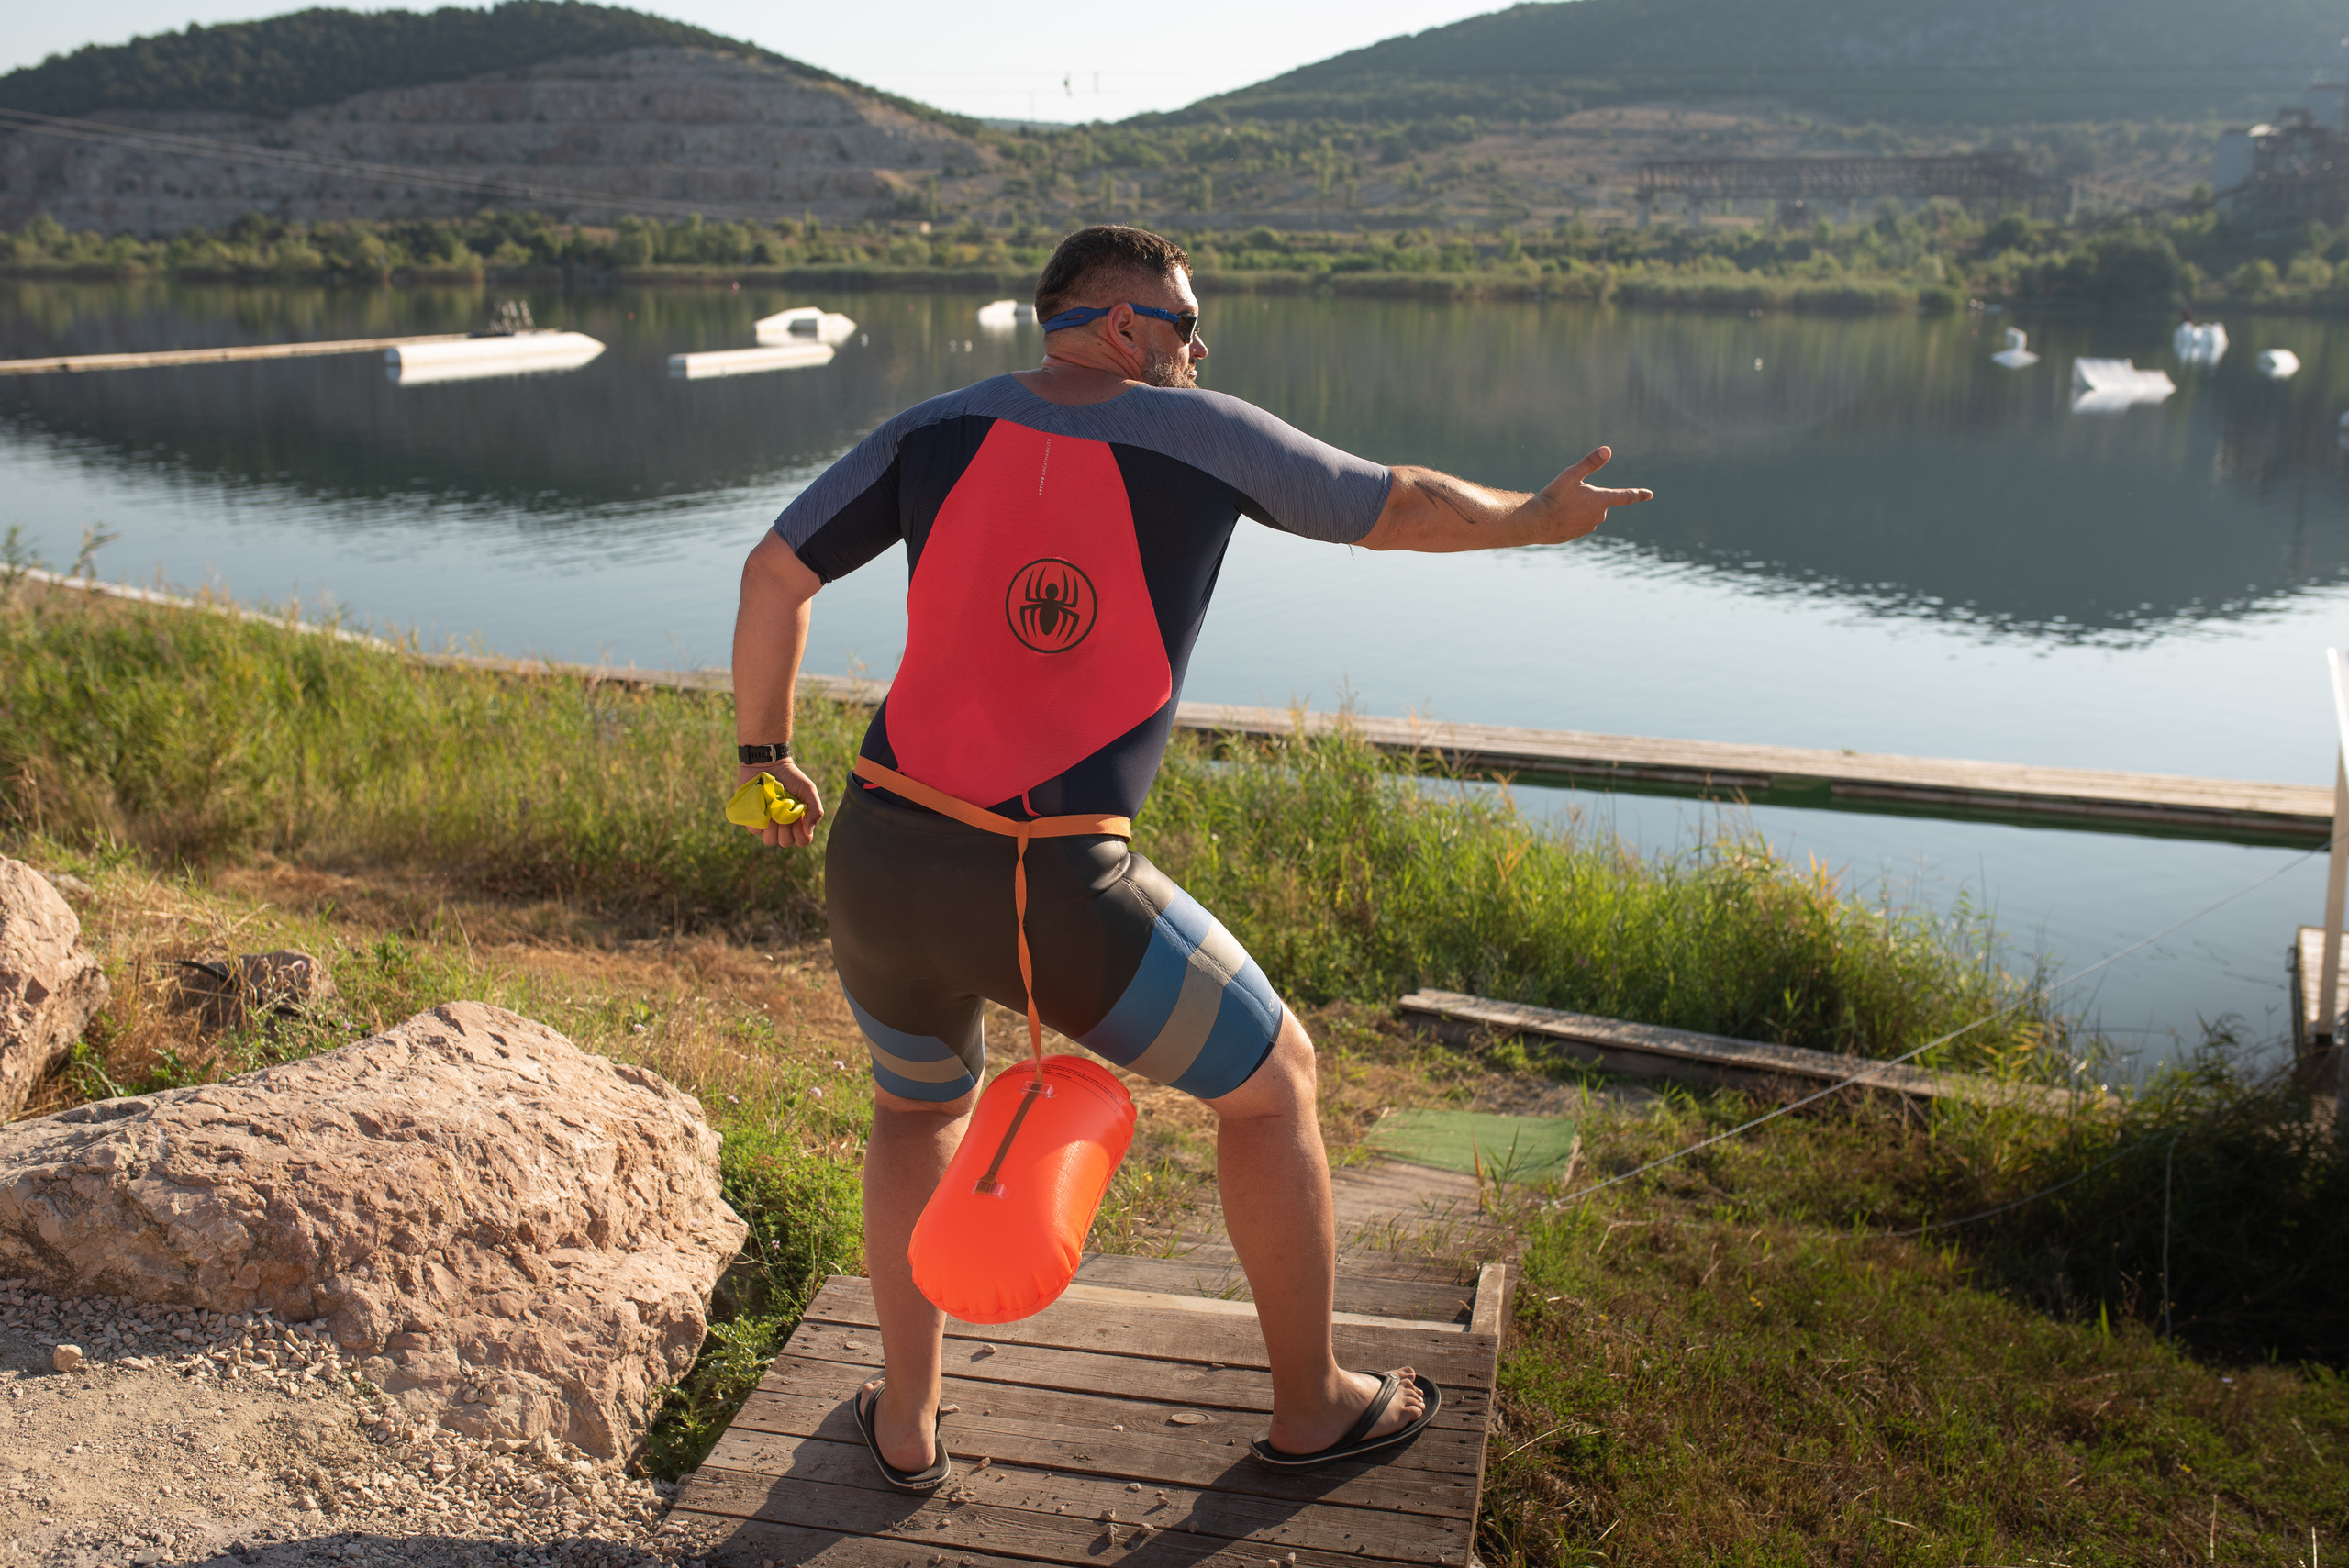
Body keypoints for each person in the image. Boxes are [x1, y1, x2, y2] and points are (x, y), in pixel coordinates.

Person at [729, 224, 1651, 1487]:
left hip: (880, 854)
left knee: (914, 1112)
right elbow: (1394, 504)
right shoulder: (1197, 428)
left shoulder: (925, 429)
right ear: (1120, 324)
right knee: (1274, 1078)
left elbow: (772, 573)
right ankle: (1315, 1404)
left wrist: (762, 757)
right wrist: (1534, 521)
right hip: (1050, 876)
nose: (1196, 346)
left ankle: (906, 1420)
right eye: (1182, 319)